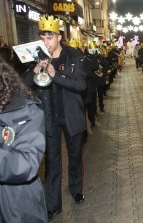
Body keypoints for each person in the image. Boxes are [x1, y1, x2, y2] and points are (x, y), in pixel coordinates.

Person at [23, 15, 87, 221]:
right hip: (49, 117)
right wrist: (35, 70)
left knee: (75, 156)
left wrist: (55, 74)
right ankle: (53, 204)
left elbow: (80, 86)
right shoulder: (37, 56)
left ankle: (76, 189)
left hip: (71, 115)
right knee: (52, 162)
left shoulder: (73, 56)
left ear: (59, 37)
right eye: (42, 38)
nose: (45, 42)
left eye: (49, 38)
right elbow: (23, 85)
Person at [0, 57, 48, 222]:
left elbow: (27, 164)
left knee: (56, 163)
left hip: (17, 207)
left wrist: (55, 75)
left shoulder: (26, 110)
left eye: (50, 36)